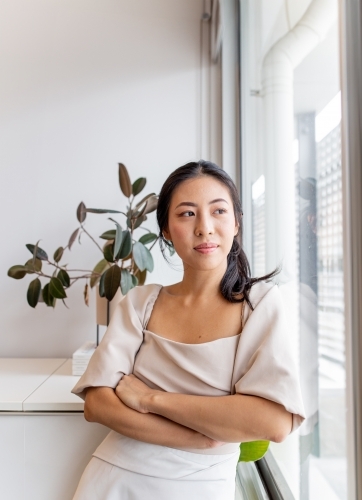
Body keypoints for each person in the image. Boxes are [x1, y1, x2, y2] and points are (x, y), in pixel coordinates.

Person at [71, 160, 305, 500]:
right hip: (114, 477)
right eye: (186, 214)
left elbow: (274, 422)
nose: (205, 228)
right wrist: (199, 438)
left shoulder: (259, 304)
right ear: (166, 229)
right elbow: (97, 404)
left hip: (201, 486)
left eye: (219, 211)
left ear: (237, 222)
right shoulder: (140, 303)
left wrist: (150, 398)